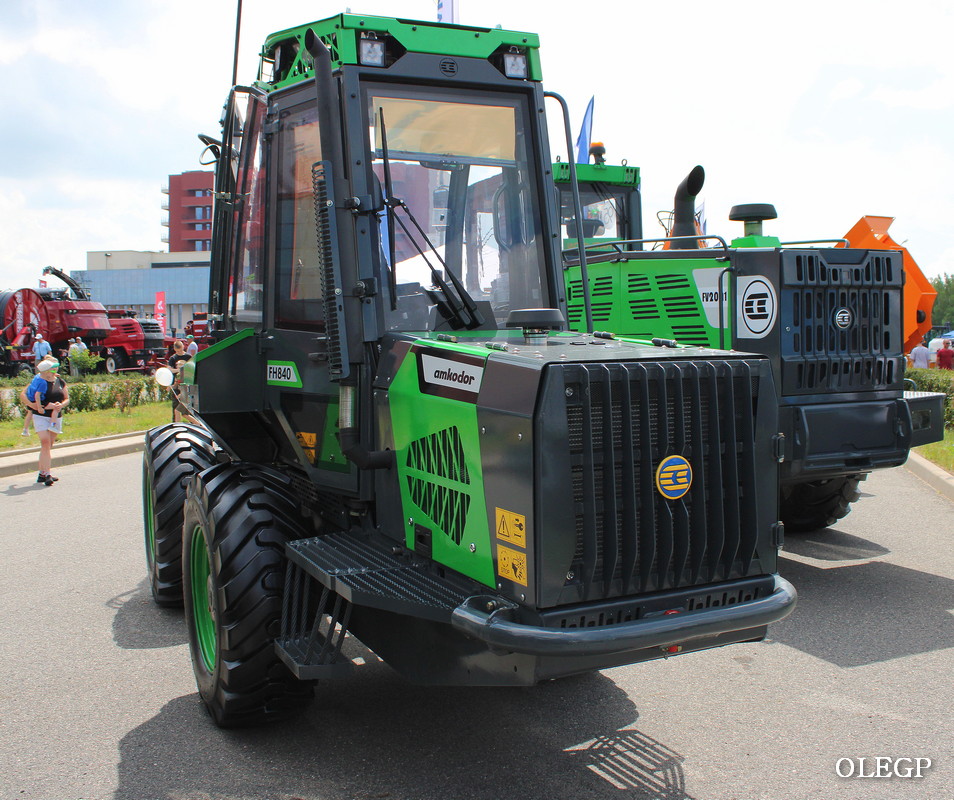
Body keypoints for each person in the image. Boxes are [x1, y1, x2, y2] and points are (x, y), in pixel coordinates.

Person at [19, 358, 69, 486]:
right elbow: (23, 394)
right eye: (53, 366)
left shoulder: (60, 381)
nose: (55, 368)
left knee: (48, 445)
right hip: (40, 416)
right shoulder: (38, 380)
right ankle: (47, 474)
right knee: (45, 442)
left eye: (56, 366)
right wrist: (33, 405)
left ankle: (42, 473)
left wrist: (61, 405)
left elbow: (67, 398)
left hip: (56, 416)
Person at [167, 340, 196, 424]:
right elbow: (170, 370)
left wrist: (182, 393)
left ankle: (197, 424)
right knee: (176, 409)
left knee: (185, 412)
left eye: (180, 350)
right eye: (177, 351)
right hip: (179, 387)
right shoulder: (173, 358)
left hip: (186, 388)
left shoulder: (188, 357)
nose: (179, 352)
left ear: (183, 347)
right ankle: (176, 424)